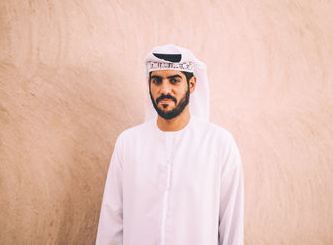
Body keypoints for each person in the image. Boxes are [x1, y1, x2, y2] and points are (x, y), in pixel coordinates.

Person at [96, 44, 244, 245]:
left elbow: (231, 225)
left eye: (174, 80)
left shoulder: (218, 144)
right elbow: (111, 221)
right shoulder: (128, 143)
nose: (165, 89)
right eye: (157, 80)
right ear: (149, 84)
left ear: (192, 84)